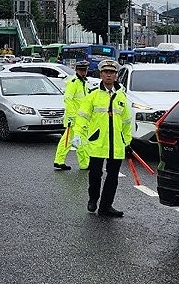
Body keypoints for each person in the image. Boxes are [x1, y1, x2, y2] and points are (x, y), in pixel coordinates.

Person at [72, 57, 133, 218]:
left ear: (116, 75)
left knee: (112, 178)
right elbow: (82, 117)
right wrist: (77, 134)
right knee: (95, 174)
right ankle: (93, 199)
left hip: (116, 144)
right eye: (106, 72)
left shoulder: (121, 96)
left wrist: (127, 142)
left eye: (112, 72)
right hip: (97, 142)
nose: (109, 75)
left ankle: (106, 206)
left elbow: (127, 122)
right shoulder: (93, 95)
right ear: (101, 74)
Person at [53, 59, 92, 171]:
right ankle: (84, 163)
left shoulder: (83, 82)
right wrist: (72, 116)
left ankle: (59, 161)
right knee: (81, 140)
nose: (83, 72)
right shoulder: (74, 82)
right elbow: (68, 99)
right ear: (76, 70)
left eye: (84, 70)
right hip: (75, 118)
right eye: (81, 70)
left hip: (81, 118)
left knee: (68, 140)